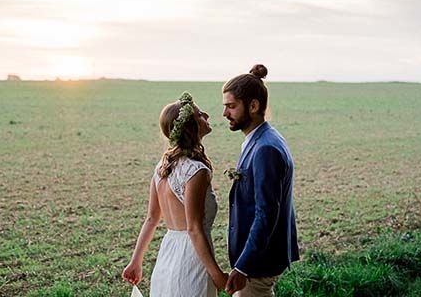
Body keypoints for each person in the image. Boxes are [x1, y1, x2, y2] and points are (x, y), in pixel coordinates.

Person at [122, 92, 228, 296]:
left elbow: (152, 218)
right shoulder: (196, 171)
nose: (206, 114)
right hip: (192, 261)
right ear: (190, 127)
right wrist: (217, 275)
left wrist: (136, 261)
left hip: (167, 256)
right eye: (199, 114)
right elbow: (194, 228)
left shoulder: (162, 167)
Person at [222, 64, 300, 296]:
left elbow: (266, 213)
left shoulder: (266, 148)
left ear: (253, 106)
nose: (225, 113)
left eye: (231, 106)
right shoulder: (264, 138)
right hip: (256, 261)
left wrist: (243, 266)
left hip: (258, 264)